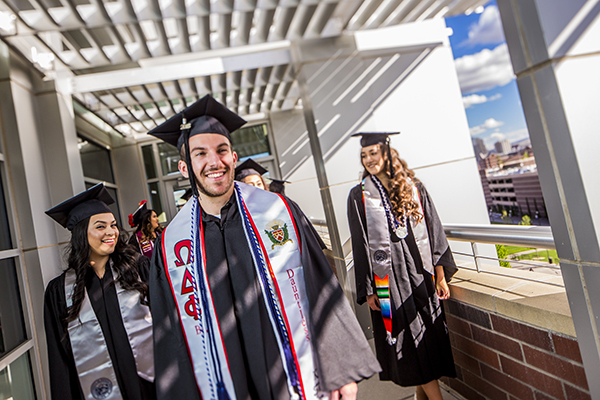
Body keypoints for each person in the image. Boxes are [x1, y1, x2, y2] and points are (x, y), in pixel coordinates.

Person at [148, 94, 380, 400]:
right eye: (200, 153)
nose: (214, 162)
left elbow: (319, 285)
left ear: (233, 157)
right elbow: (171, 334)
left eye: (221, 150)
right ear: (184, 166)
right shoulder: (170, 245)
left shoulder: (278, 211)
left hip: (289, 374)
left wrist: (340, 371)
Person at [346, 132, 457, 400]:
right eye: (364, 155)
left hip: (421, 273)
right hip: (390, 280)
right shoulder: (359, 195)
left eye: (374, 153)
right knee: (412, 342)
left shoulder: (413, 186)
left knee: (428, 337)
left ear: (387, 153)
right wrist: (369, 289)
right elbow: (360, 244)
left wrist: (440, 275)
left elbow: (433, 229)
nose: (369, 159)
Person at [43, 183, 155, 400]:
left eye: (113, 225)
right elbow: (59, 362)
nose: (111, 232)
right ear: (81, 234)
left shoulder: (139, 270)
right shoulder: (59, 292)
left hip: (151, 389)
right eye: (100, 226)